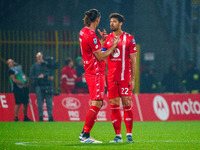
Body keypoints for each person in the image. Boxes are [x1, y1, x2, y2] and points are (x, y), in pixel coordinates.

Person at [78, 9, 120, 143]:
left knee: (99, 102)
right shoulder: (90, 34)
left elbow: (93, 51)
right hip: (95, 72)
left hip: (92, 70)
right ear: (97, 20)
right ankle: (85, 134)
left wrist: (102, 42)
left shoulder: (83, 31)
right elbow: (100, 56)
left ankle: (85, 133)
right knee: (97, 102)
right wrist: (113, 46)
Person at [102, 13, 137, 143]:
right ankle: (118, 136)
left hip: (125, 78)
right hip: (111, 78)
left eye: (115, 21)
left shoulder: (129, 38)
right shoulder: (108, 38)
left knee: (127, 103)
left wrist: (133, 79)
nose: (112, 24)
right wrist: (108, 45)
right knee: (114, 105)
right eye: (111, 21)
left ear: (120, 23)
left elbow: (133, 60)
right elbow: (102, 56)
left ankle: (129, 135)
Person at [30, 52, 54, 122]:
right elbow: (31, 76)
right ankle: (41, 117)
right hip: (39, 86)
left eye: (40, 56)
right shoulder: (34, 66)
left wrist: (46, 76)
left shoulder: (46, 65)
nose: (39, 58)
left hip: (47, 85)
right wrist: (38, 77)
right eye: (38, 57)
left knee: (49, 102)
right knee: (40, 103)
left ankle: (50, 117)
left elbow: (51, 73)